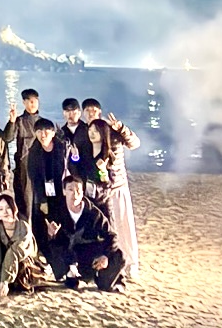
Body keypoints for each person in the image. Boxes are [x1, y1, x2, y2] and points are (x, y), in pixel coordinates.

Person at [83, 101, 141, 279]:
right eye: (88, 111)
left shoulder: (113, 132)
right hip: (97, 192)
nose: (91, 113)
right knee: (106, 228)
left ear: (100, 112)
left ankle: (131, 263)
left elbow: (135, 144)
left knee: (124, 225)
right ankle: (111, 261)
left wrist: (121, 128)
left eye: (94, 110)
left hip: (117, 188)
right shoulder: (87, 135)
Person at [44, 176, 126, 292]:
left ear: (83, 192)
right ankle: (69, 275)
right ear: (64, 191)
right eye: (70, 190)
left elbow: (111, 235)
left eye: (78, 191)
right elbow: (52, 241)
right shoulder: (58, 211)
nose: (75, 195)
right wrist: (51, 234)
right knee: (53, 246)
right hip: (70, 256)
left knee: (118, 255)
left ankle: (110, 279)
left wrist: (105, 256)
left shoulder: (93, 213)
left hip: (90, 254)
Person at [25, 117, 69, 253]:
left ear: (53, 133)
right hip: (44, 193)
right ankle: (44, 253)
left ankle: (64, 251)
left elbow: (73, 166)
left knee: (63, 221)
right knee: (44, 222)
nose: (42, 135)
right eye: (39, 131)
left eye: (46, 131)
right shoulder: (34, 152)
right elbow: (34, 178)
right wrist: (41, 200)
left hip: (62, 190)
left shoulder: (62, 148)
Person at [0, 193, 36, 299]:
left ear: (14, 209)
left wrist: (5, 281)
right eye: (1, 209)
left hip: (23, 262)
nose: (5, 212)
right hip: (5, 264)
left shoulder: (23, 227)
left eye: (8, 208)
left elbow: (16, 251)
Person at [12, 89, 42, 216]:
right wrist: (11, 122)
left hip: (41, 165)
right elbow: (8, 137)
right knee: (26, 200)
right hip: (24, 166)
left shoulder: (43, 122)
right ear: (24, 103)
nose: (32, 104)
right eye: (29, 101)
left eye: (35, 101)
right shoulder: (19, 121)